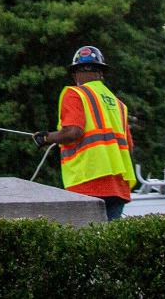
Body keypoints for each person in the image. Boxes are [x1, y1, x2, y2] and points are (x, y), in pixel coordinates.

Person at [33, 46, 137, 220]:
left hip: (87, 181)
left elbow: (74, 132)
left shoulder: (75, 94)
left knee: (85, 241)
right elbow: (130, 147)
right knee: (109, 242)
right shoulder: (119, 104)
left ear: (75, 74)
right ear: (101, 73)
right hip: (118, 186)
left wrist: (45, 137)